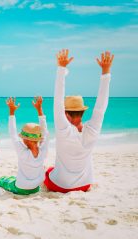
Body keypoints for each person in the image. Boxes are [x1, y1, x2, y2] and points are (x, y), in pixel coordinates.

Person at [44, 49, 114, 193]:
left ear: (65, 114)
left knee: (48, 172)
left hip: (61, 186)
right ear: (83, 111)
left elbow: (57, 99)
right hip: (84, 185)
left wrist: (61, 69)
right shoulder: (92, 130)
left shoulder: (64, 130)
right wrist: (105, 72)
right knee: (52, 169)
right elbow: (101, 106)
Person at [0, 96, 49, 195]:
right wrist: (39, 109)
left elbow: (12, 133)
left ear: (25, 139)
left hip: (21, 187)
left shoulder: (22, 152)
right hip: (36, 188)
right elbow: (45, 132)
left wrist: (11, 112)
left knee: (3, 180)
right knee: (13, 178)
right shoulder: (43, 151)